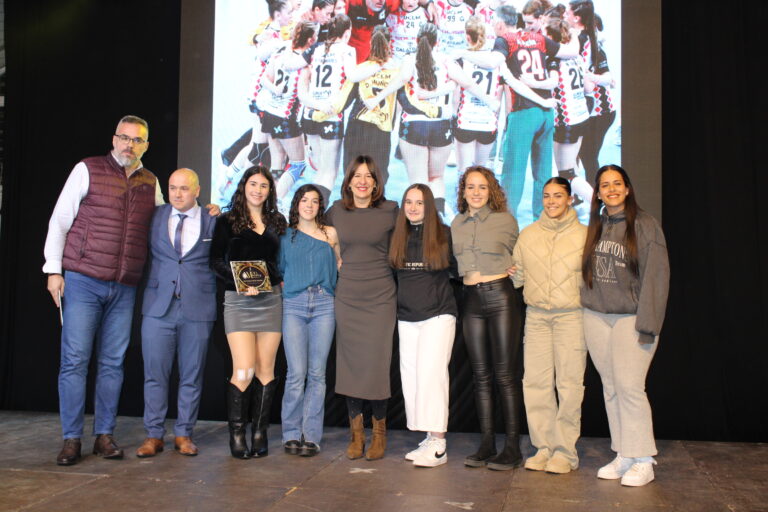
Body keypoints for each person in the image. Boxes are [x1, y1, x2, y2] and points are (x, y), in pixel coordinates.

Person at [44, 115, 162, 466]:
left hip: (124, 287)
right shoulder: (88, 169)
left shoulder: (151, 182)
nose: (129, 145)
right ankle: (70, 440)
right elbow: (60, 220)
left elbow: (163, 226)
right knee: (75, 361)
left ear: (146, 145)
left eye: (136, 140)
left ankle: (104, 436)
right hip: (83, 280)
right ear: (113, 139)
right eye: (123, 138)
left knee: (112, 363)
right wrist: (53, 270)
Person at [580, 165, 669, 487]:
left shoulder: (645, 225)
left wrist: (648, 325)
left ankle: (644, 459)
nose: (611, 189)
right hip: (596, 317)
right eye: (605, 185)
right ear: (598, 192)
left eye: (617, 184)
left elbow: (656, 278)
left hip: (631, 319)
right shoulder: (596, 225)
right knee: (611, 388)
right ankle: (624, 453)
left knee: (630, 388)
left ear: (628, 188)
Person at [460, 4, 577, 219]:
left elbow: (491, 63)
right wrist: (576, 30)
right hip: (546, 113)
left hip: (523, 113)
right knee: (543, 173)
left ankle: (505, 223)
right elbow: (571, 51)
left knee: (513, 174)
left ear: (500, 24)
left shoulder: (505, 41)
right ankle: (544, 220)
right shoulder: (538, 38)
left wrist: (462, 53)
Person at [136, 169, 217, 458]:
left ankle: (184, 434)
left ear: (197, 190)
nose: (177, 194)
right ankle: (153, 435)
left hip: (198, 307)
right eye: (172, 188)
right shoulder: (155, 216)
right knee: (154, 375)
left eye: (184, 188)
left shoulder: (213, 220)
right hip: (158, 307)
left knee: (191, 376)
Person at [210, 166, 287, 459]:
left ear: (270, 191)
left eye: (264, 186)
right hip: (239, 303)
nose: (258, 190)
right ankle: (238, 433)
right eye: (253, 184)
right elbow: (215, 260)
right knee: (243, 370)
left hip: (270, 302)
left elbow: (281, 261)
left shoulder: (277, 221)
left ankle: (259, 431)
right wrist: (238, 283)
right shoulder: (226, 221)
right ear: (244, 187)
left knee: (266, 371)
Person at [511, 177, 587, 474]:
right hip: (537, 317)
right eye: (546, 196)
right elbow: (518, 278)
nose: (552, 201)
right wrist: (511, 272)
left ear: (570, 199)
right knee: (536, 384)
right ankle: (543, 447)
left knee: (569, 384)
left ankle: (565, 452)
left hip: (572, 317)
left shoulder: (585, 235)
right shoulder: (528, 235)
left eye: (558, 195)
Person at [450, 165, 524, 471]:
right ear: (463, 191)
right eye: (470, 187)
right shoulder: (456, 223)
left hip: (501, 298)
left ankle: (512, 447)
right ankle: (486, 443)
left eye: (482, 187)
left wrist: (518, 271)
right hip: (471, 302)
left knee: (505, 376)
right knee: (480, 377)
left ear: (491, 190)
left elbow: (521, 257)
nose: (476, 192)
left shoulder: (505, 220)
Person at [326, 155, 398, 461]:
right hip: (348, 296)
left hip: (381, 296)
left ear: (377, 181)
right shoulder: (335, 212)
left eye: (369, 175)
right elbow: (312, 235)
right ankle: (356, 435)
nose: (363, 181)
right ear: (349, 179)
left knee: (377, 365)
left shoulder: (391, 210)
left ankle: (379, 434)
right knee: (351, 365)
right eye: (357, 175)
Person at [389, 184, 457, 467]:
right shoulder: (398, 236)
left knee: (432, 377)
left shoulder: (444, 234)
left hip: (438, 316)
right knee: (413, 379)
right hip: (407, 317)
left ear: (430, 206)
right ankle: (428, 438)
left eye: (419, 202)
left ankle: (439, 443)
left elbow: (458, 269)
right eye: (408, 202)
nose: (414, 207)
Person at [279, 185, 340, 457]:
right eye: (305, 200)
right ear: (296, 203)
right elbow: (279, 269)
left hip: (325, 304)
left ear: (320, 206)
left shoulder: (330, 234)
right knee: (296, 374)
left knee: (317, 374)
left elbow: (339, 265)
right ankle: (291, 434)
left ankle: (311, 436)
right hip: (294, 304)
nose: (310, 205)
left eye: (315, 201)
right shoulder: (285, 236)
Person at [298, 14, 357, 205]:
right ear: (347, 32)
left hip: (310, 114)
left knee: (320, 169)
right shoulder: (348, 50)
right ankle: (317, 209)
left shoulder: (316, 49)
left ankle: (309, 205)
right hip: (331, 115)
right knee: (329, 171)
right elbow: (352, 76)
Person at [257, 21, 318, 202]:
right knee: (298, 164)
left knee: (278, 160)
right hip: (286, 118)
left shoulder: (280, 54)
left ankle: (267, 202)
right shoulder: (303, 67)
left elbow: (263, 79)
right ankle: (275, 203)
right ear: (310, 40)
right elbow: (304, 97)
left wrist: (275, 89)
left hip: (269, 114)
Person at [567, 0, 617, 186]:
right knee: (579, 154)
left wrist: (589, 75)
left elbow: (608, 78)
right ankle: (585, 194)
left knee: (589, 156)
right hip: (585, 110)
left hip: (601, 112)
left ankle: (595, 198)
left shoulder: (593, 47)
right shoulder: (577, 42)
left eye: (567, 13)